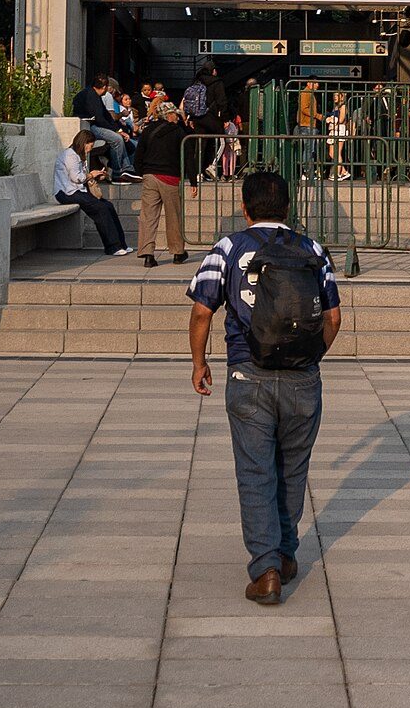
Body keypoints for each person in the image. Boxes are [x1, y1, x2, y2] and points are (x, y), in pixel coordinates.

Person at [188, 170, 341, 605]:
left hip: (247, 374)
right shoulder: (312, 249)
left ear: (245, 207)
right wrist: (309, 359)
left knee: (256, 472)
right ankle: (287, 555)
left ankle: (267, 568)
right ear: (289, 208)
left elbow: (202, 311)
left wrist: (199, 363)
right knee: (292, 470)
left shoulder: (228, 248)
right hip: (303, 380)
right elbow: (333, 319)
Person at [54, 132, 130, 256]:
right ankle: (112, 247)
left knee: (108, 206)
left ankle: (121, 244)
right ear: (84, 143)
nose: (91, 148)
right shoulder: (70, 156)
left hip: (77, 191)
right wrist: (92, 174)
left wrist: (97, 176)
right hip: (66, 192)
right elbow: (77, 178)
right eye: (90, 145)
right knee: (100, 209)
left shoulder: (79, 156)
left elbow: (82, 178)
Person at [134, 104, 191, 266]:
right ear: (168, 115)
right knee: (174, 216)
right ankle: (178, 253)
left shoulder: (148, 130)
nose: (177, 116)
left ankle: (147, 254)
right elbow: (188, 157)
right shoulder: (179, 132)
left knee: (148, 216)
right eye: (175, 114)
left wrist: (142, 172)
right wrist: (193, 179)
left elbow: (139, 154)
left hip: (150, 175)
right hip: (170, 178)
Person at [72, 80, 134, 177]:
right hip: (90, 125)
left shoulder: (96, 95)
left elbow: (106, 115)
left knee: (120, 139)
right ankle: (117, 172)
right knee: (117, 139)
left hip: (94, 124)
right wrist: (116, 130)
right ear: (105, 87)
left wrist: (118, 130)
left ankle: (127, 168)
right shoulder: (91, 95)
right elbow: (100, 118)